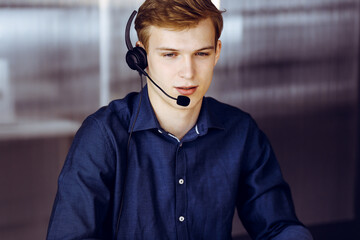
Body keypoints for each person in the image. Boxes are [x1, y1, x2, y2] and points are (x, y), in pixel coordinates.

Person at [46, 0, 313, 239]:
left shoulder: (241, 131)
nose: (188, 73)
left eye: (202, 53)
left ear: (217, 52)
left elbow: (278, 227)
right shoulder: (102, 136)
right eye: (170, 54)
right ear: (141, 57)